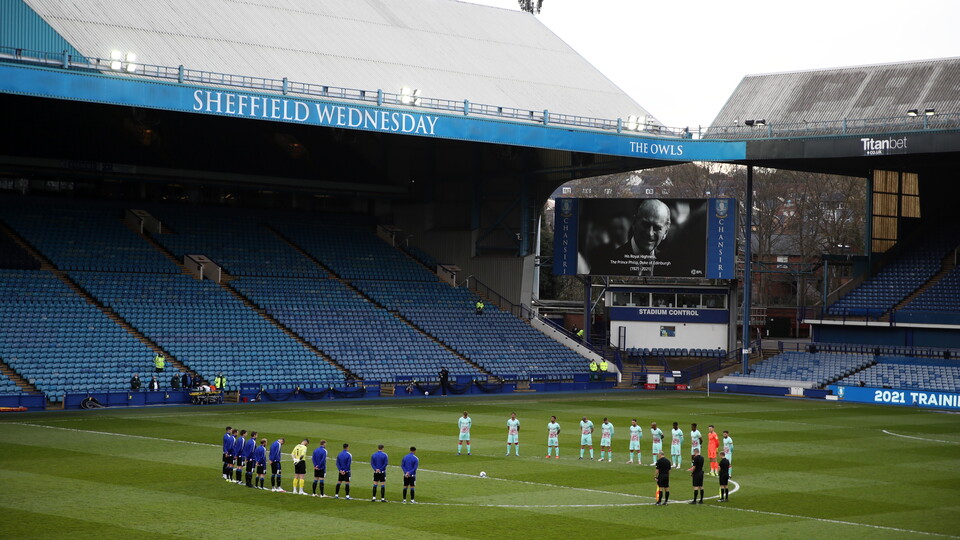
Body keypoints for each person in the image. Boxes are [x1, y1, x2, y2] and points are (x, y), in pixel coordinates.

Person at [611, 199, 671, 276]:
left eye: (656, 228)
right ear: (634, 222)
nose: (650, 233)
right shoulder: (607, 262)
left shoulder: (670, 266)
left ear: (665, 233)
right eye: (645, 225)